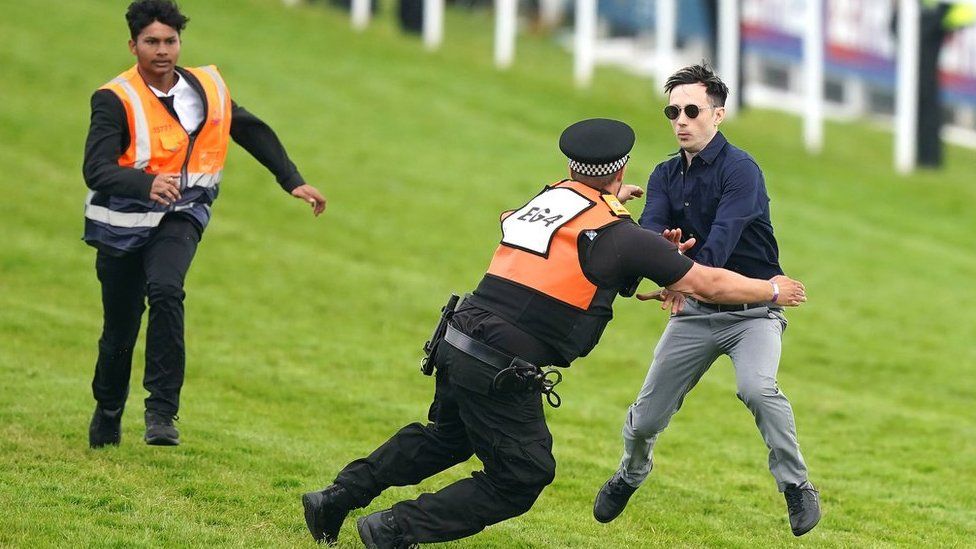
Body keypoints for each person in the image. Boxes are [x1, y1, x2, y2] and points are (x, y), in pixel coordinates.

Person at [301, 118, 806, 548]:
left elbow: (582, 224)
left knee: (448, 438)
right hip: (499, 359)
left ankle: (337, 497)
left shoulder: (548, 199)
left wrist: (610, 199)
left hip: (458, 335)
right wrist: (770, 290)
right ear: (622, 169)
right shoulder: (620, 235)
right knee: (523, 476)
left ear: (572, 168)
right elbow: (706, 282)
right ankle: (392, 529)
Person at [83, 0, 326, 448]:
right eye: (151, 42)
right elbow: (95, 169)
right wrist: (145, 183)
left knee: (166, 290)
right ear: (133, 45)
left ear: (180, 43)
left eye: (170, 41)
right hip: (121, 225)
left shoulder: (207, 88)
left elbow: (249, 128)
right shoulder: (114, 99)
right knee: (120, 329)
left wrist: (292, 180)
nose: (162, 50)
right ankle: (108, 409)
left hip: (182, 213)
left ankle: (161, 414)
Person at [592, 64, 820, 537]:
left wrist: (676, 273)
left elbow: (721, 241)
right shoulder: (663, 174)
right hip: (693, 313)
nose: (681, 120)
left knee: (757, 389)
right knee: (645, 419)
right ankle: (631, 473)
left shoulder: (742, 170)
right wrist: (667, 253)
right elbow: (650, 232)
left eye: (692, 110)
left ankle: (797, 486)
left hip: (753, 311)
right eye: (672, 111)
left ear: (718, 114)